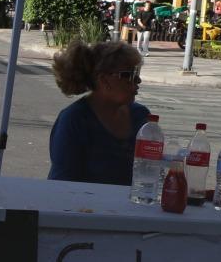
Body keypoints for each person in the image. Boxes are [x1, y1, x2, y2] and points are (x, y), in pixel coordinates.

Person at [48, 40, 151, 185]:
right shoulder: (74, 120)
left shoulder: (140, 115)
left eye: (137, 73)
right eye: (129, 75)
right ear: (104, 80)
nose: (138, 80)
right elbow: (61, 184)